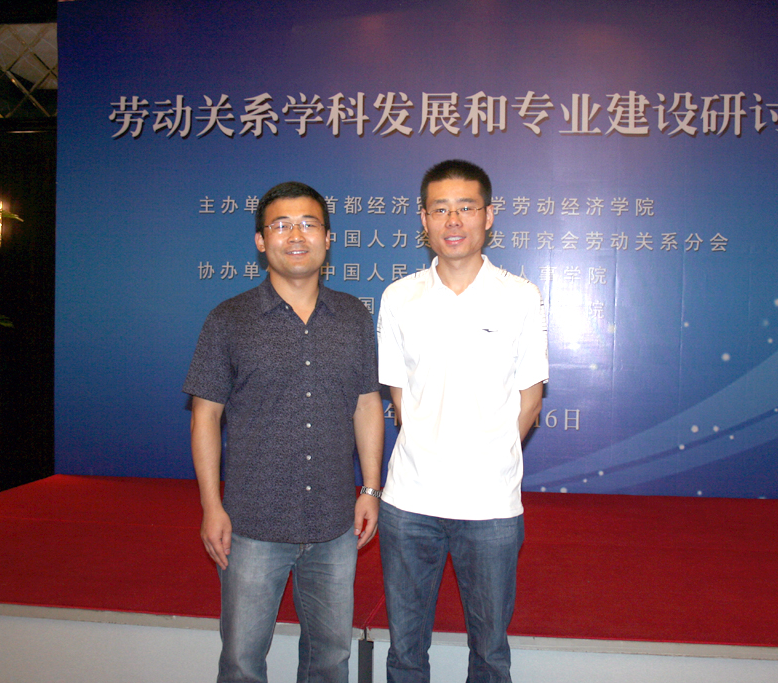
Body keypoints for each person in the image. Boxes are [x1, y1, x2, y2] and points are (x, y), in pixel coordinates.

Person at [183, 181, 384, 683]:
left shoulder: (354, 317)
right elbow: (205, 415)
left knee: (329, 661)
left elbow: (366, 404)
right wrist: (211, 505)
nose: (296, 235)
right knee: (242, 662)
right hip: (252, 525)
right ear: (260, 240)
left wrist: (370, 488)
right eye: (281, 225)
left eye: (309, 224)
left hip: (335, 525)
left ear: (328, 238)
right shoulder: (229, 319)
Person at [376, 160, 549, 683]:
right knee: (405, 652)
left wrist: (488, 456)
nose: (453, 221)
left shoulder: (520, 296)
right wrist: (431, 447)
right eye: (441, 209)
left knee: (490, 652)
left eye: (466, 208)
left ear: (488, 216)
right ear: (424, 220)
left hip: (490, 503)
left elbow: (531, 398)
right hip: (410, 501)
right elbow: (399, 395)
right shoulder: (399, 297)